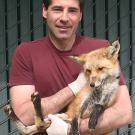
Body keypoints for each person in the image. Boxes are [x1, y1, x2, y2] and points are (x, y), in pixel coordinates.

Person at [9, 0, 132, 134]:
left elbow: (124, 112)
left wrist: (70, 130)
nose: (64, 18)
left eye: (72, 11)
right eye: (57, 9)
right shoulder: (26, 52)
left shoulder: (100, 49)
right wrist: (75, 87)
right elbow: (24, 117)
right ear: (45, 11)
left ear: (80, 15)